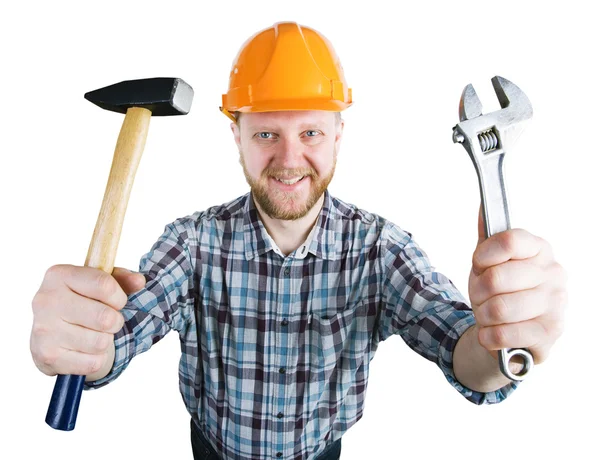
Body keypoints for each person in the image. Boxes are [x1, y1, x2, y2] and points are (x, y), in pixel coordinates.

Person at [30, 21, 567, 460]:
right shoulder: (192, 243)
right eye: (266, 133)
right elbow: (116, 336)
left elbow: (465, 353)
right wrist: (82, 339)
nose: (289, 159)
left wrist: (501, 338)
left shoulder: (379, 249)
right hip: (211, 452)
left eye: (310, 132)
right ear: (236, 136)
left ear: (338, 135)